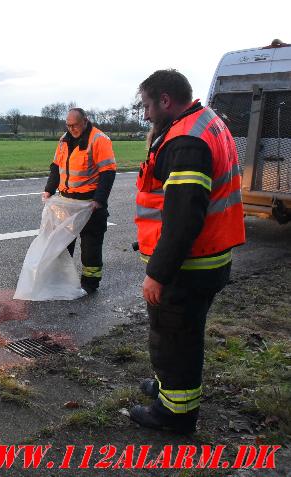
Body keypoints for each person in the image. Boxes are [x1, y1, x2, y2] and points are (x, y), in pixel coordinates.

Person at [130, 69, 245, 433]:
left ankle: (174, 415)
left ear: (165, 100)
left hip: (188, 266)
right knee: (183, 335)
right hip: (207, 257)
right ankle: (169, 390)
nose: (145, 114)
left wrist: (158, 273)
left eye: (147, 106)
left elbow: (183, 219)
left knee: (175, 339)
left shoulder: (185, 142)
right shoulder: (206, 121)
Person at [41, 108, 117, 293]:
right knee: (63, 244)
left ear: (85, 121)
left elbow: (108, 172)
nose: (71, 128)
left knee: (90, 246)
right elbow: (56, 167)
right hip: (66, 202)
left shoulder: (99, 139)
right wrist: (49, 190)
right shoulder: (64, 140)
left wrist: (99, 200)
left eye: (75, 125)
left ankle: (90, 284)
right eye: (68, 125)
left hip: (89, 203)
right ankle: (62, 280)